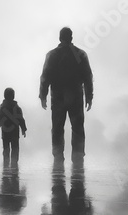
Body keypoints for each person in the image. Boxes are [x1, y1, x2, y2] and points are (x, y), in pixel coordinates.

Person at [39, 27, 94, 163]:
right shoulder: (80, 54)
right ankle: (78, 156)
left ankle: (58, 157)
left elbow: (45, 77)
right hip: (75, 95)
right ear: (71, 37)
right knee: (77, 127)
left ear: (60, 38)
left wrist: (43, 95)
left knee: (57, 128)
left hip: (58, 97)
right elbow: (88, 77)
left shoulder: (52, 55)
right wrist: (89, 96)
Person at [0, 88, 27, 167]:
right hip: (14, 132)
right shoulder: (17, 108)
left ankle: (6, 164)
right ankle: (14, 165)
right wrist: (23, 129)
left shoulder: (1, 109)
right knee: (15, 149)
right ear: (13, 96)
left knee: (6, 149)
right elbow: (21, 120)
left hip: (5, 132)